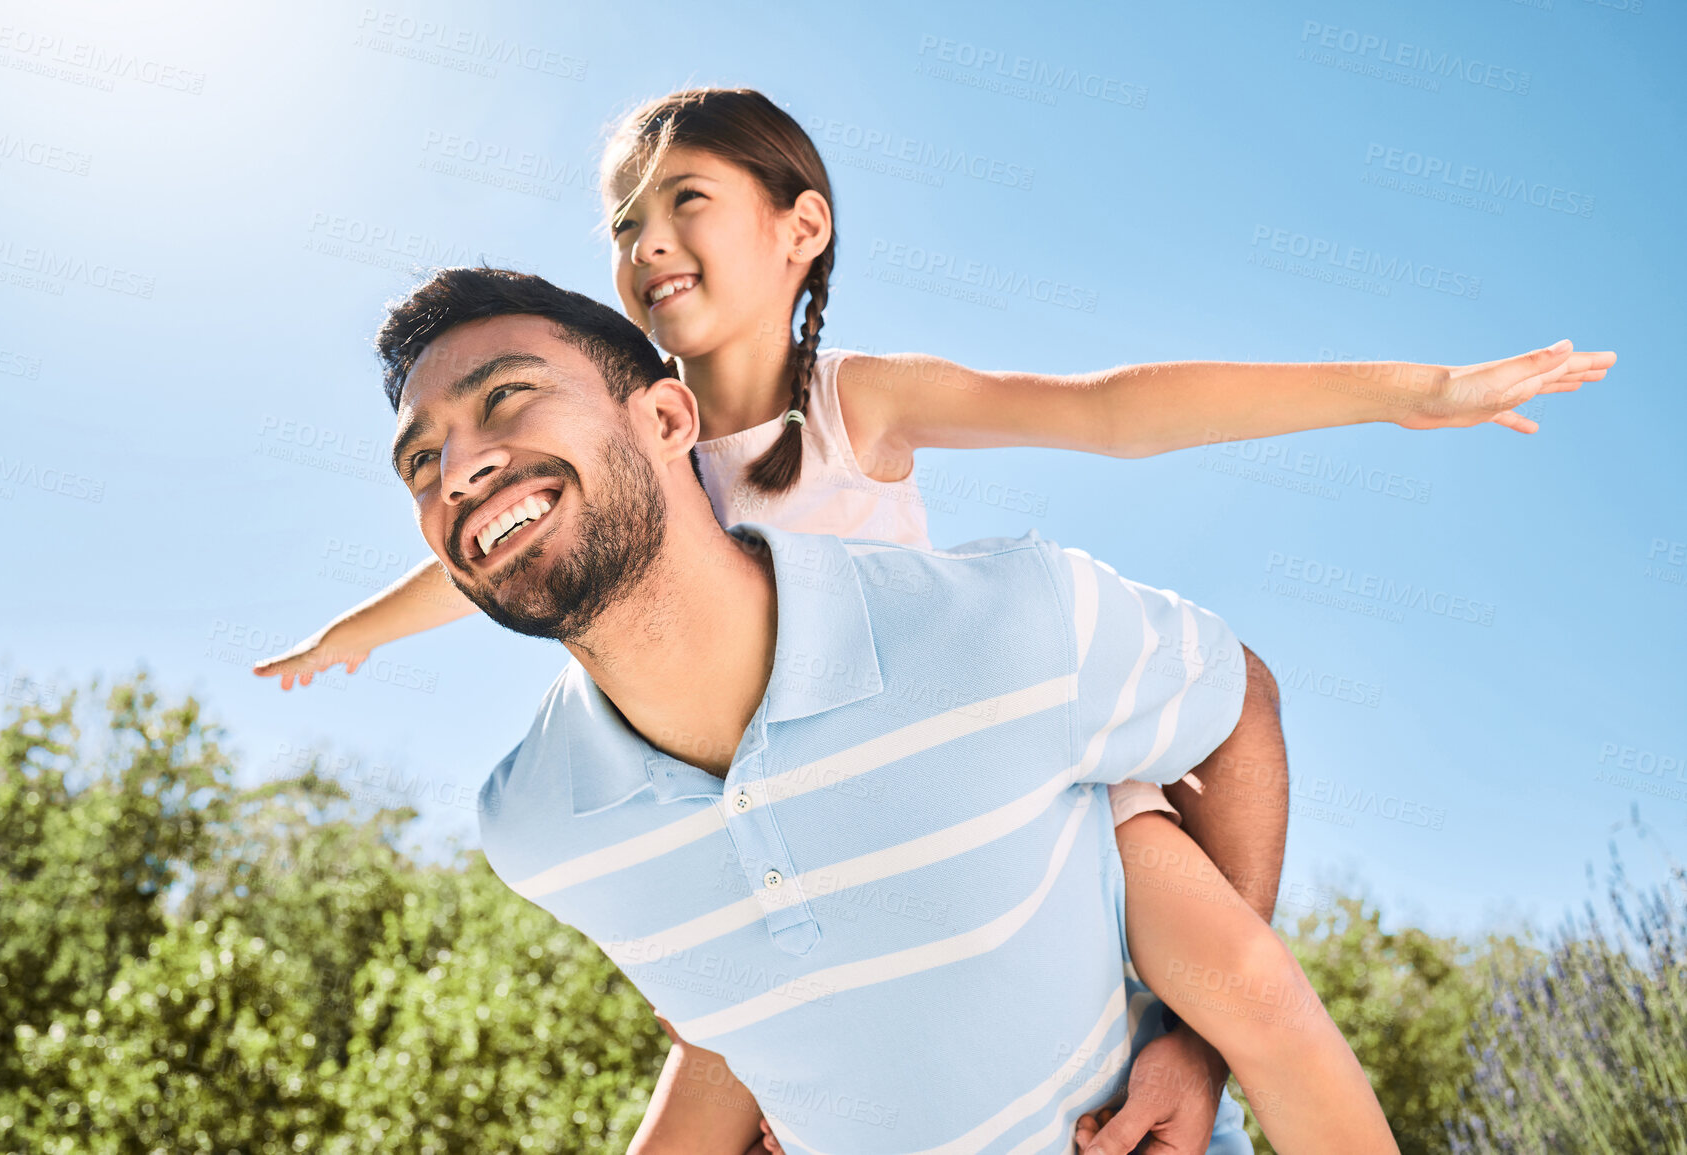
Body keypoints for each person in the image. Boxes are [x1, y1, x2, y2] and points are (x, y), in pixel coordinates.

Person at [257, 89, 1610, 1151]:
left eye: (684, 200)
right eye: (621, 220)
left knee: (1244, 984)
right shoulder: (610, 466)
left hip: (1003, 778)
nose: (645, 241)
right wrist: (352, 634)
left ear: (802, 226)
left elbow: (1107, 411)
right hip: (782, 837)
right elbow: (488, 546)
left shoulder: (855, 401)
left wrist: (1401, 389)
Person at [365, 264, 1399, 1154]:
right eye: (422, 460)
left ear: (669, 417)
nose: (460, 470)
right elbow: (729, 1022)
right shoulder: (535, 828)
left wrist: (1200, 1038)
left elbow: (1238, 703)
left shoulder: (1005, 628)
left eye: (507, 400)